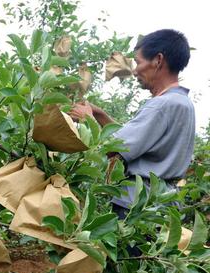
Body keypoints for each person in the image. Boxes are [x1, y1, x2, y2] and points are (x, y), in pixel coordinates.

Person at [70, 29, 195, 218]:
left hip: (137, 205)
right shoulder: (182, 102)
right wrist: (100, 115)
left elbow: (113, 148)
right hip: (162, 205)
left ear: (158, 60)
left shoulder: (162, 105)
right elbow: (136, 142)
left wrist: (87, 119)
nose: (135, 70)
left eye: (138, 62)